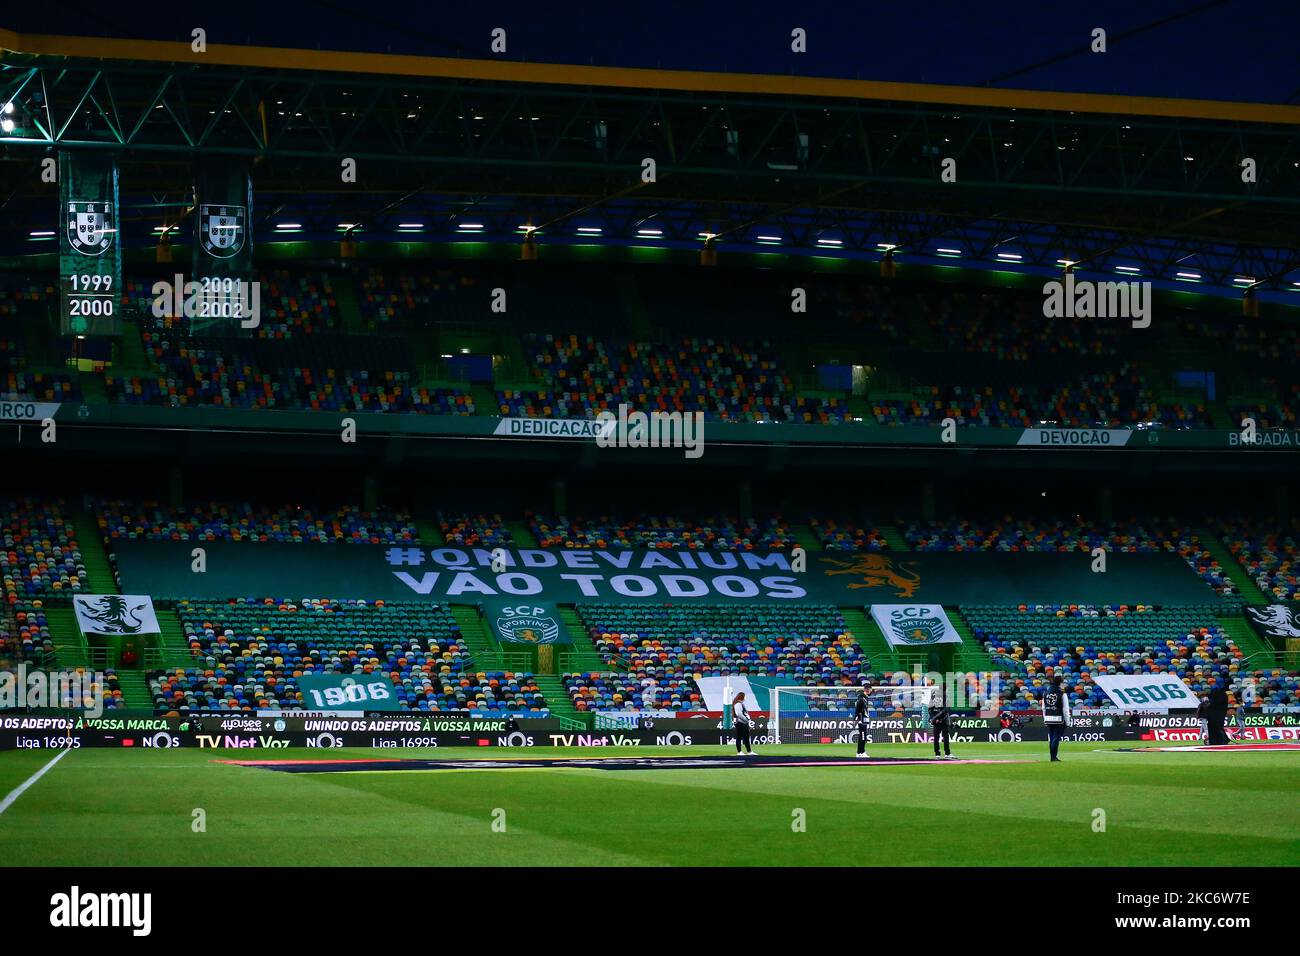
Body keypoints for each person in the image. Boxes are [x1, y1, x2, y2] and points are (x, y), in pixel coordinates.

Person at [1041, 675, 1071, 762]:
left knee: (1051, 738)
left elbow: (1043, 708)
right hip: (1058, 719)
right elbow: (1065, 709)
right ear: (1060, 683)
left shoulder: (1045, 693)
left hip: (1048, 718)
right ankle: (1053, 757)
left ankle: (1052, 756)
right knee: (1056, 738)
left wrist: (1045, 718)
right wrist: (1068, 722)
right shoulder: (1062, 694)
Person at [930, 680, 953, 759]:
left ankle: (937, 754)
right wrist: (939, 718)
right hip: (943, 720)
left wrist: (934, 718)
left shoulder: (933, 695)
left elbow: (930, 709)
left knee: (936, 737)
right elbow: (946, 710)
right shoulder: (945, 696)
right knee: (945, 737)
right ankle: (947, 754)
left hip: (935, 720)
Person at [731, 692, 756, 756]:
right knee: (739, 737)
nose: (745, 698)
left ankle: (749, 751)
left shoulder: (739, 704)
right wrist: (746, 719)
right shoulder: (738, 704)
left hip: (742, 722)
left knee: (746, 737)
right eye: (744, 697)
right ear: (741, 697)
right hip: (740, 723)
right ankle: (739, 752)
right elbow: (739, 714)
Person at [854, 684, 872, 758]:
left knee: (863, 736)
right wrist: (856, 718)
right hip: (861, 719)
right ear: (868, 689)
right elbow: (857, 708)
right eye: (870, 689)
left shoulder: (865, 698)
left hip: (864, 719)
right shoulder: (861, 697)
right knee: (862, 736)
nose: (871, 691)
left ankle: (861, 752)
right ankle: (860, 752)